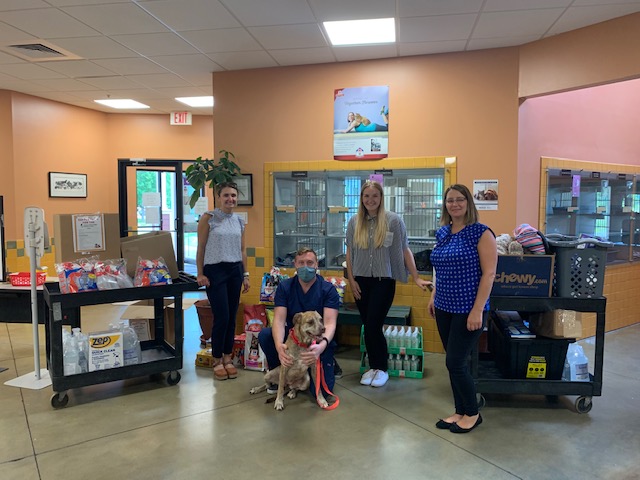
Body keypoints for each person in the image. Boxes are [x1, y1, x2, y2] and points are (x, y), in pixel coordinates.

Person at [428, 184, 497, 433]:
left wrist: (478, 310)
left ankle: (473, 412)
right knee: (452, 362)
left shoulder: (481, 233)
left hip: (469, 308)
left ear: (469, 203)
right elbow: (441, 270)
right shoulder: (443, 233)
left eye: (459, 200)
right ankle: (459, 411)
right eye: (449, 201)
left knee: (456, 362)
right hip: (444, 306)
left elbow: (489, 274)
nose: (454, 204)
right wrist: (434, 296)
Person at [346, 180, 429, 388]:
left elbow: (404, 250)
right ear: (361, 198)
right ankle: (373, 368)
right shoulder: (354, 222)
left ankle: (381, 368)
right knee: (368, 326)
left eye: (375, 196)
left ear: (381, 198)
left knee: (374, 324)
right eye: (366, 196)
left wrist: (416, 276)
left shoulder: (393, 221)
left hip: (384, 282)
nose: (370, 200)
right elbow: (349, 252)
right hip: (361, 281)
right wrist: (352, 280)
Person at [258, 248, 340, 398]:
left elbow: (330, 323)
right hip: (294, 341)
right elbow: (279, 320)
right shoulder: (285, 287)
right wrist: (279, 347)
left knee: (322, 393)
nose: (305, 267)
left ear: (316, 265)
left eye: (310, 263)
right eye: (301, 263)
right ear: (295, 264)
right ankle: (281, 370)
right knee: (265, 335)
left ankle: (327, 363)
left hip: (318, 342)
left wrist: (320, 348)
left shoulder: (328, 290)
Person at [196, 181, 250, 381]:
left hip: (235, 270)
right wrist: (200, 273)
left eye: (234, 195)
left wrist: (245, 274)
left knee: (232, 316)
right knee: (222, 316)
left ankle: (228, 357)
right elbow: (201, 248)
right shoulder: (209, 218)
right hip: (215, 270)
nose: (230, 199)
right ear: (218, 197)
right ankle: (217, 359)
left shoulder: (239, 221)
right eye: (226, 195)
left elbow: (242, 250)